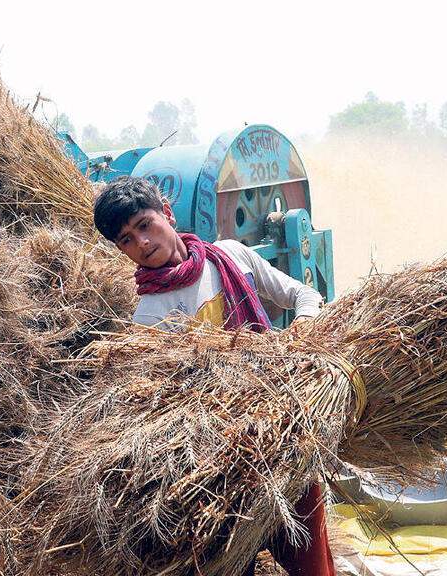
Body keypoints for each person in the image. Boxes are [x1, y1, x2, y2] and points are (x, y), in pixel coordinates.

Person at [93, 176, 335, 576]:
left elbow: (305, 296)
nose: (142, 244)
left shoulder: (230, 257)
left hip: (284, 433)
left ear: (167, 214)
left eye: (144, 225)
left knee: (311, 560)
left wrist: (293, 343)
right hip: (225, 465)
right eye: (126, 240)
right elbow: (163, 406)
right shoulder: (149, 319)